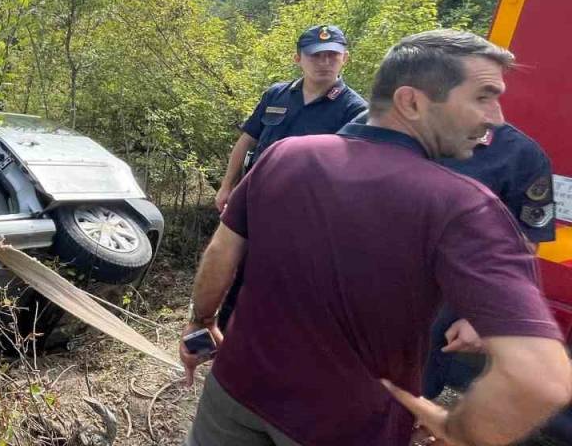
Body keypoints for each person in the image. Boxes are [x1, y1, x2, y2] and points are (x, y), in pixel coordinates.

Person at [180, 29, 570, 446]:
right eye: (482, 97)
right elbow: (541, 377)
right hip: (346, 422)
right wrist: (465, 429)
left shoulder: (286, 155)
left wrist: (201, 320)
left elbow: (222, 250)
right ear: (412, 102)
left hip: (237, 391)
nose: (495, 117)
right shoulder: (465, 205)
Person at [213, 25, 367, 329]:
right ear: (298, 58)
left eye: (332, 55)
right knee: (235, 273)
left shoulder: (355, 110)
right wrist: (226, 187)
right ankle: (225, 344)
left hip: (304, 216)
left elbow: (351, 174)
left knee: (281, 283)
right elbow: (247, 141)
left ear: (345, 58)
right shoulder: (277, 94)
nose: (324, 62)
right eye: (316, 55)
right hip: (254, 201)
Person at [422, 122, 557, 398]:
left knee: (411, 399)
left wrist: (480, 317)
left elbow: (522, 251)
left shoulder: (519, 154)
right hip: (368, 297)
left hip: (441, 309)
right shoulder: (397, 129)